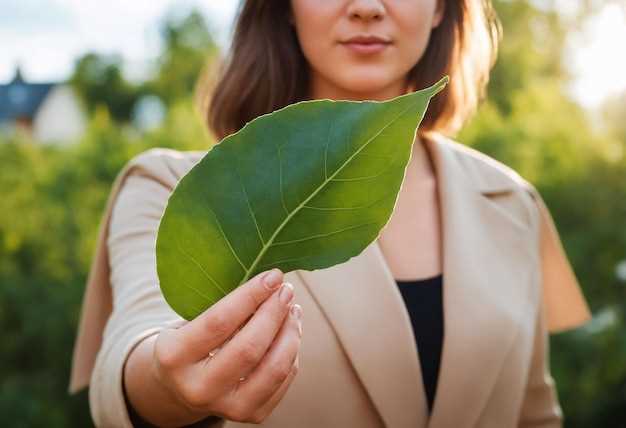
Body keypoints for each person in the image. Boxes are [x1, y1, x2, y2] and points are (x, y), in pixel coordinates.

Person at [68, 0, 592, 427]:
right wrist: (172, 388)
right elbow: (131, 357)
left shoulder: (512, 202)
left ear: (440, 9)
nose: (366, 7)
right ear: (285, 8)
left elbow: (535, 412)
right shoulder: (166, 187)